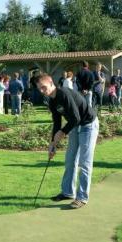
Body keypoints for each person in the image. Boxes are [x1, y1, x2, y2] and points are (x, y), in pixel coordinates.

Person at [36, 74, 99, 209]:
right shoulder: (52, 101)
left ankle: (82, 197)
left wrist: (63, 132)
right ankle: (68, 192)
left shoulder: (63, 94)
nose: (42, 91)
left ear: (51, 83)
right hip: (76, 126)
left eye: (43, 87)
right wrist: (52, 144)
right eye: (39, 89)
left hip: (88, 125)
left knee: (84, 162)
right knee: (70, 159)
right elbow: (57, 123)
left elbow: (75, 118)